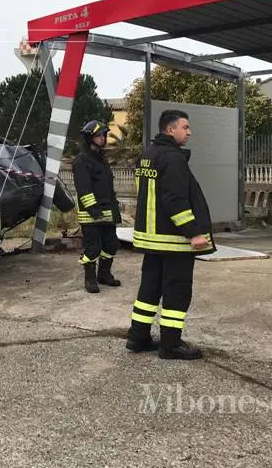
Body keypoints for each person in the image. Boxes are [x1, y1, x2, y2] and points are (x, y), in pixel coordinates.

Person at [126, 109, 216, 360]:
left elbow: (143, 193)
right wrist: (193, 233)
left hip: (151, 238)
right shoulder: (173, 158)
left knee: (149, 290)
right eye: (184, 127)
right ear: (170, 130)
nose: (189, 132)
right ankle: (170, 344)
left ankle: (138, 337)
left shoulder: (147, 156)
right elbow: (175, 200)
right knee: (177, 290)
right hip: (173, 240)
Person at [72, 119, 121, 294]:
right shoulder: (82, 161)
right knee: (93, 248)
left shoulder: (101, 159)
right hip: (91, 215)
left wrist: (114, 210)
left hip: (107, 213)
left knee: (111, 245)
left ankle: (104, 274)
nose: (103, 138)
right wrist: (94, 211)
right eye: (99, 135)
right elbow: (84, 189)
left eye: (104, 135)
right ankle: (90, 279)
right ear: (89, 137)